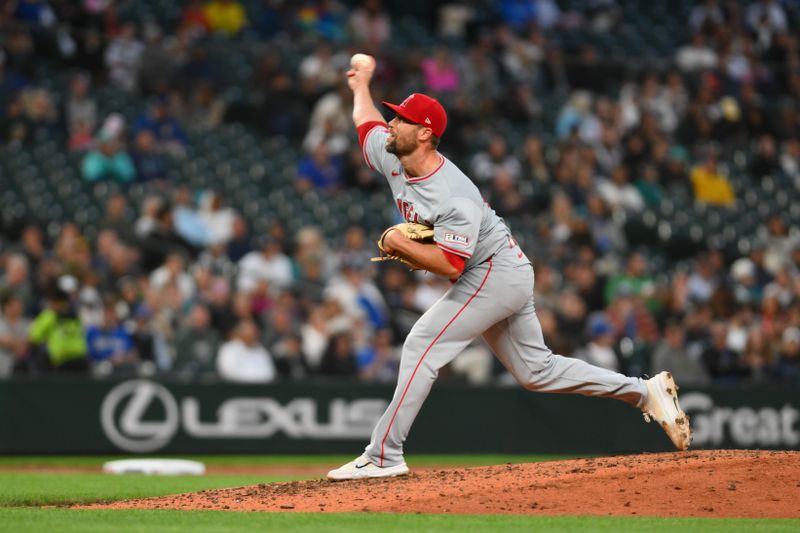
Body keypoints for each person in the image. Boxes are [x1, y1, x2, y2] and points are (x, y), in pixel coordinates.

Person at [327, 55, 692, 481]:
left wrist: (398, 243)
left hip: (492, 272)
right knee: (537, 371)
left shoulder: (453, 194)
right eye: (395, 117)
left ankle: (384, 454)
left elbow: (449, 266)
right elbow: (366, 124)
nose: (392, 124)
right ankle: (643, 391)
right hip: (504, 270)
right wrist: (360, 85)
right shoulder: (394, 155)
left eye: (402, 120)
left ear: (425, 133)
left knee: (421, 344)